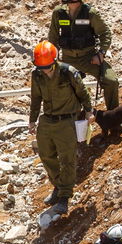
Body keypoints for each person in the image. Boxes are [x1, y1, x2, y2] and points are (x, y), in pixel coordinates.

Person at [27, 41, 93, 214]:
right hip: (47, 119)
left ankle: (64, 195)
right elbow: (35, 99)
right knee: (46, 155)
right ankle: (58, 185)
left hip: (67, 120)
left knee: (67, 158)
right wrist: (32, 121)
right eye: (41, 67)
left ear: (54, 61)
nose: (45, 70)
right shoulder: (37, 75)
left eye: (48, 67)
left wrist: (88, 111)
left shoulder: (68, 72)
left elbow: (82, 92)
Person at [48, 0, 120, 111]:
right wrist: (52, 61)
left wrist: (101, 54)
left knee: (111, 81)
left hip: (88, 57)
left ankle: (114, 115)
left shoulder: (90, 13)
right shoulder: (58, 13)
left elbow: (105, 34)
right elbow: (53, 37)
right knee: (57, 86)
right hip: (67, 59)